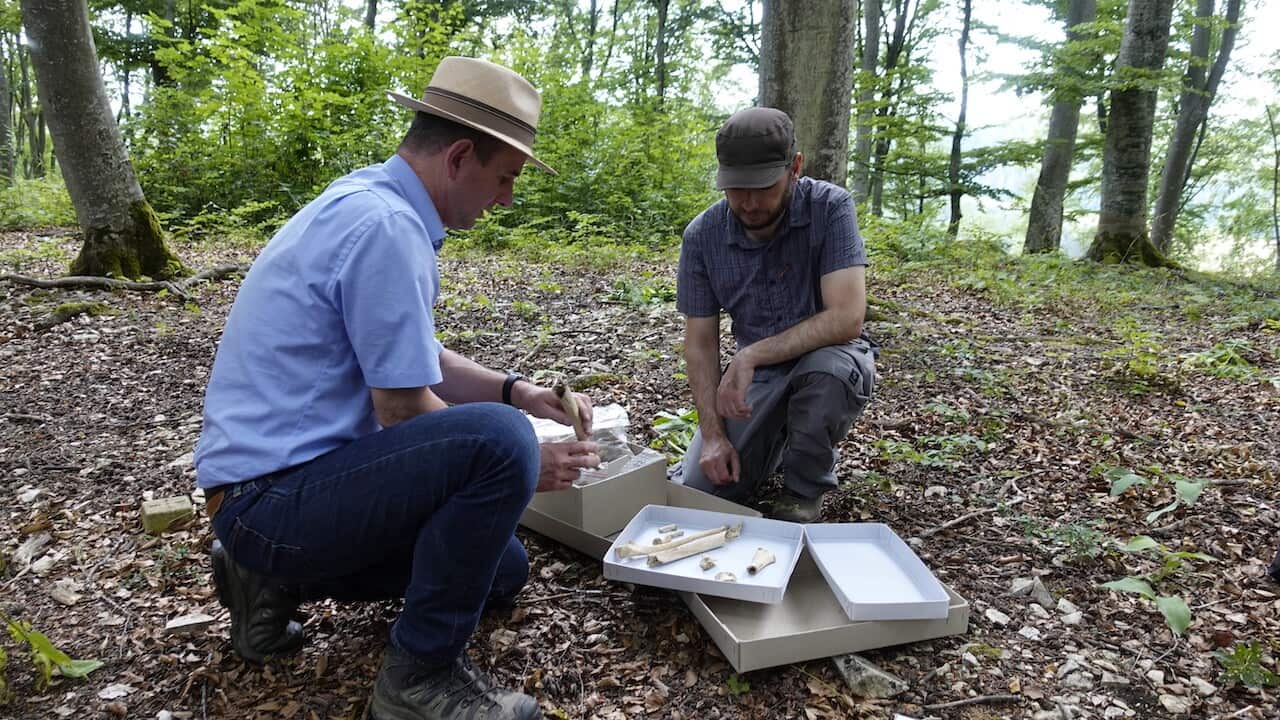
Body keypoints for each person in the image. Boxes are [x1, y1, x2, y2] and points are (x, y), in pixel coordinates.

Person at [194, 56, 600, 720]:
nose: (505, 199)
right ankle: (419, 679)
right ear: (459, 157)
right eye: (505, 177)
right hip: (271, 501)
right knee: (502, 444)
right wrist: (527, 455)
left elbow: (413, 357)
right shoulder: (387, 228)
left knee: (501, 567)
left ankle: (264, 579)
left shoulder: (369, 201)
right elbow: (404, 407)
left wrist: (518, 391)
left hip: (267, 496)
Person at [674, 107, 875, 523]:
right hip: (761, 380)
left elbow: (847, 318)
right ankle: (775, 442)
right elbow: (700, 344)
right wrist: (712, 436)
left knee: (826, 376)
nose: (749, 203)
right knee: (703, 489)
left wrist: (750, 355)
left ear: (795, 167)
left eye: (764, 186)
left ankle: (804, 486)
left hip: (830, 357)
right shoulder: (702, 237)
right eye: (736, 188)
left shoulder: (830, 208)